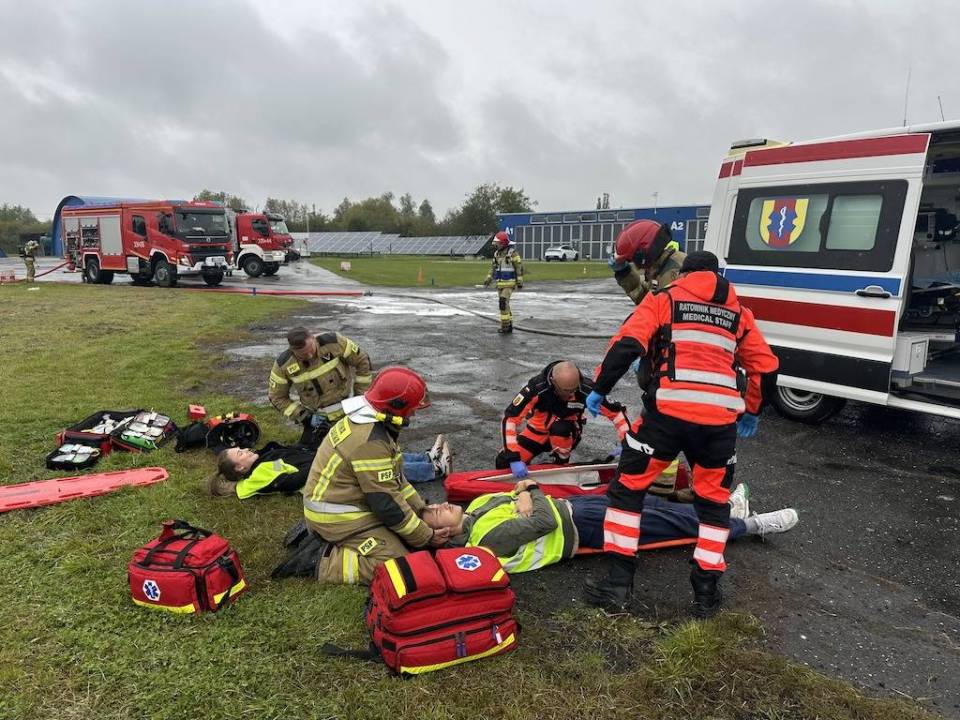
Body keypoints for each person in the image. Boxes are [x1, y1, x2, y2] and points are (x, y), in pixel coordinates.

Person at [583, 250, 780, 617]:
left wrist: (600, 389)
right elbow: (766, 369)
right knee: (713, 504)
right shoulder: (740, 313)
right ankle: (706, 593)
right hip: (718, 424)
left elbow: (628, 344)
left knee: (628, 491)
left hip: (666, 417)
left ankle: (618, 585)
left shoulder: (665, 299)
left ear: (683, 274)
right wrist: (752, 410)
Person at [422, 479, 797, 574]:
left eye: (435, 504)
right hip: (581, 528)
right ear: (443, 534)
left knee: (654, 504)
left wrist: (525, 496)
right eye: (436, 513)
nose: (440, 504)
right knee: (666, 524)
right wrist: (531, 492)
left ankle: (728, 510)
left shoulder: (477, 506)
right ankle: (751, 525)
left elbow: (519, 495)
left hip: (575, 506)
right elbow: (542, 518)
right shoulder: (485, 539)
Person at [302, 366, 449, 585]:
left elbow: (396, 482)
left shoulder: (370, 423)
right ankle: (322, 561)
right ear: (396, 407)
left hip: (345, 503)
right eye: (411, 409)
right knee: (399, 563)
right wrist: (425, 537)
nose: (413, 414)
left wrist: (421, 511)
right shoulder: (371, 441)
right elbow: (387, 504)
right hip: (336, 516)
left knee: (406, 533)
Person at [208, 434, 451, 498]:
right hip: (325, 475)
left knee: (368, 452)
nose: (245, 449)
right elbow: (292, 480)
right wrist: (321, 464)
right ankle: (435, 469)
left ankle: (426, 457)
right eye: (240, 453)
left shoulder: (262, 457)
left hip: (323, 460)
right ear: (240, 469)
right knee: (370, 466)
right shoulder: (259, 474)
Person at [497, 360, 629, 477]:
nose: (572, 394)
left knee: (560, 429)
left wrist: (627, 443)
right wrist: (513, 458)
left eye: (574, 389)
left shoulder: (586, 389)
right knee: (503, 462)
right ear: (553, 382)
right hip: (536, 432)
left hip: (566, 433)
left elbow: (617, 414)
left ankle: (561, 464)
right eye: (567, 390)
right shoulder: (536, 388)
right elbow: (510, 419)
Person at [268, 327, 373, 447]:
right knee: (311, 453)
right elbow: (276, 397)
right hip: (320, 419)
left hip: (350, 410)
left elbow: (362, 360)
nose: (309, 355)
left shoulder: (334, 342)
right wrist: (305, 417)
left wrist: (360, 396)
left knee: (365, 445)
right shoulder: (284, 365)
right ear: (293, 351)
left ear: (313, 338)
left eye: (311, 349)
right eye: (303, 354)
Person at [608, 220, 686, 305]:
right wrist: (624, 273)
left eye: (634, 260)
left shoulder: (673, 273)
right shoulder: (659, 268)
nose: (637, 267)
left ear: (643, 253)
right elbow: (645, 299)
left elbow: (655, 307)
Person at [483, 231, 523, 334]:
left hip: (509, 284)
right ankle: (509, 325)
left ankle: (505, 327)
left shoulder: (512, 253)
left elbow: (518, 267)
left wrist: (519, 281)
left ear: (503, 243)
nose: (496, 245)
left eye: (498, 243)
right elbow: (493, 268)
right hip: (500, 284)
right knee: (505, 304)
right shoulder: (496, 254)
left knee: (503, 302)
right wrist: (488, 278)